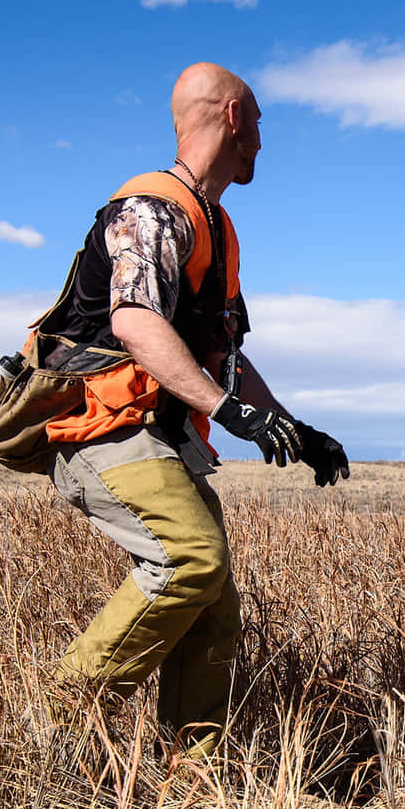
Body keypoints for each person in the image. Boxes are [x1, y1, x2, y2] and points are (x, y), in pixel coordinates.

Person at [43, 61, 349, 755]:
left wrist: (300, 435)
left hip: (163, 438)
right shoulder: (152, 209)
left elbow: (223, 356)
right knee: (191, 561)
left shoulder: (217, 227)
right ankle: (61, 718)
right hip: (105, 426)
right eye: (260, 124)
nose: (264, 144)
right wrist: (229, 412)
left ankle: (192, 779)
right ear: (234, 118)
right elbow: (135, 323)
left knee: (214, 613)